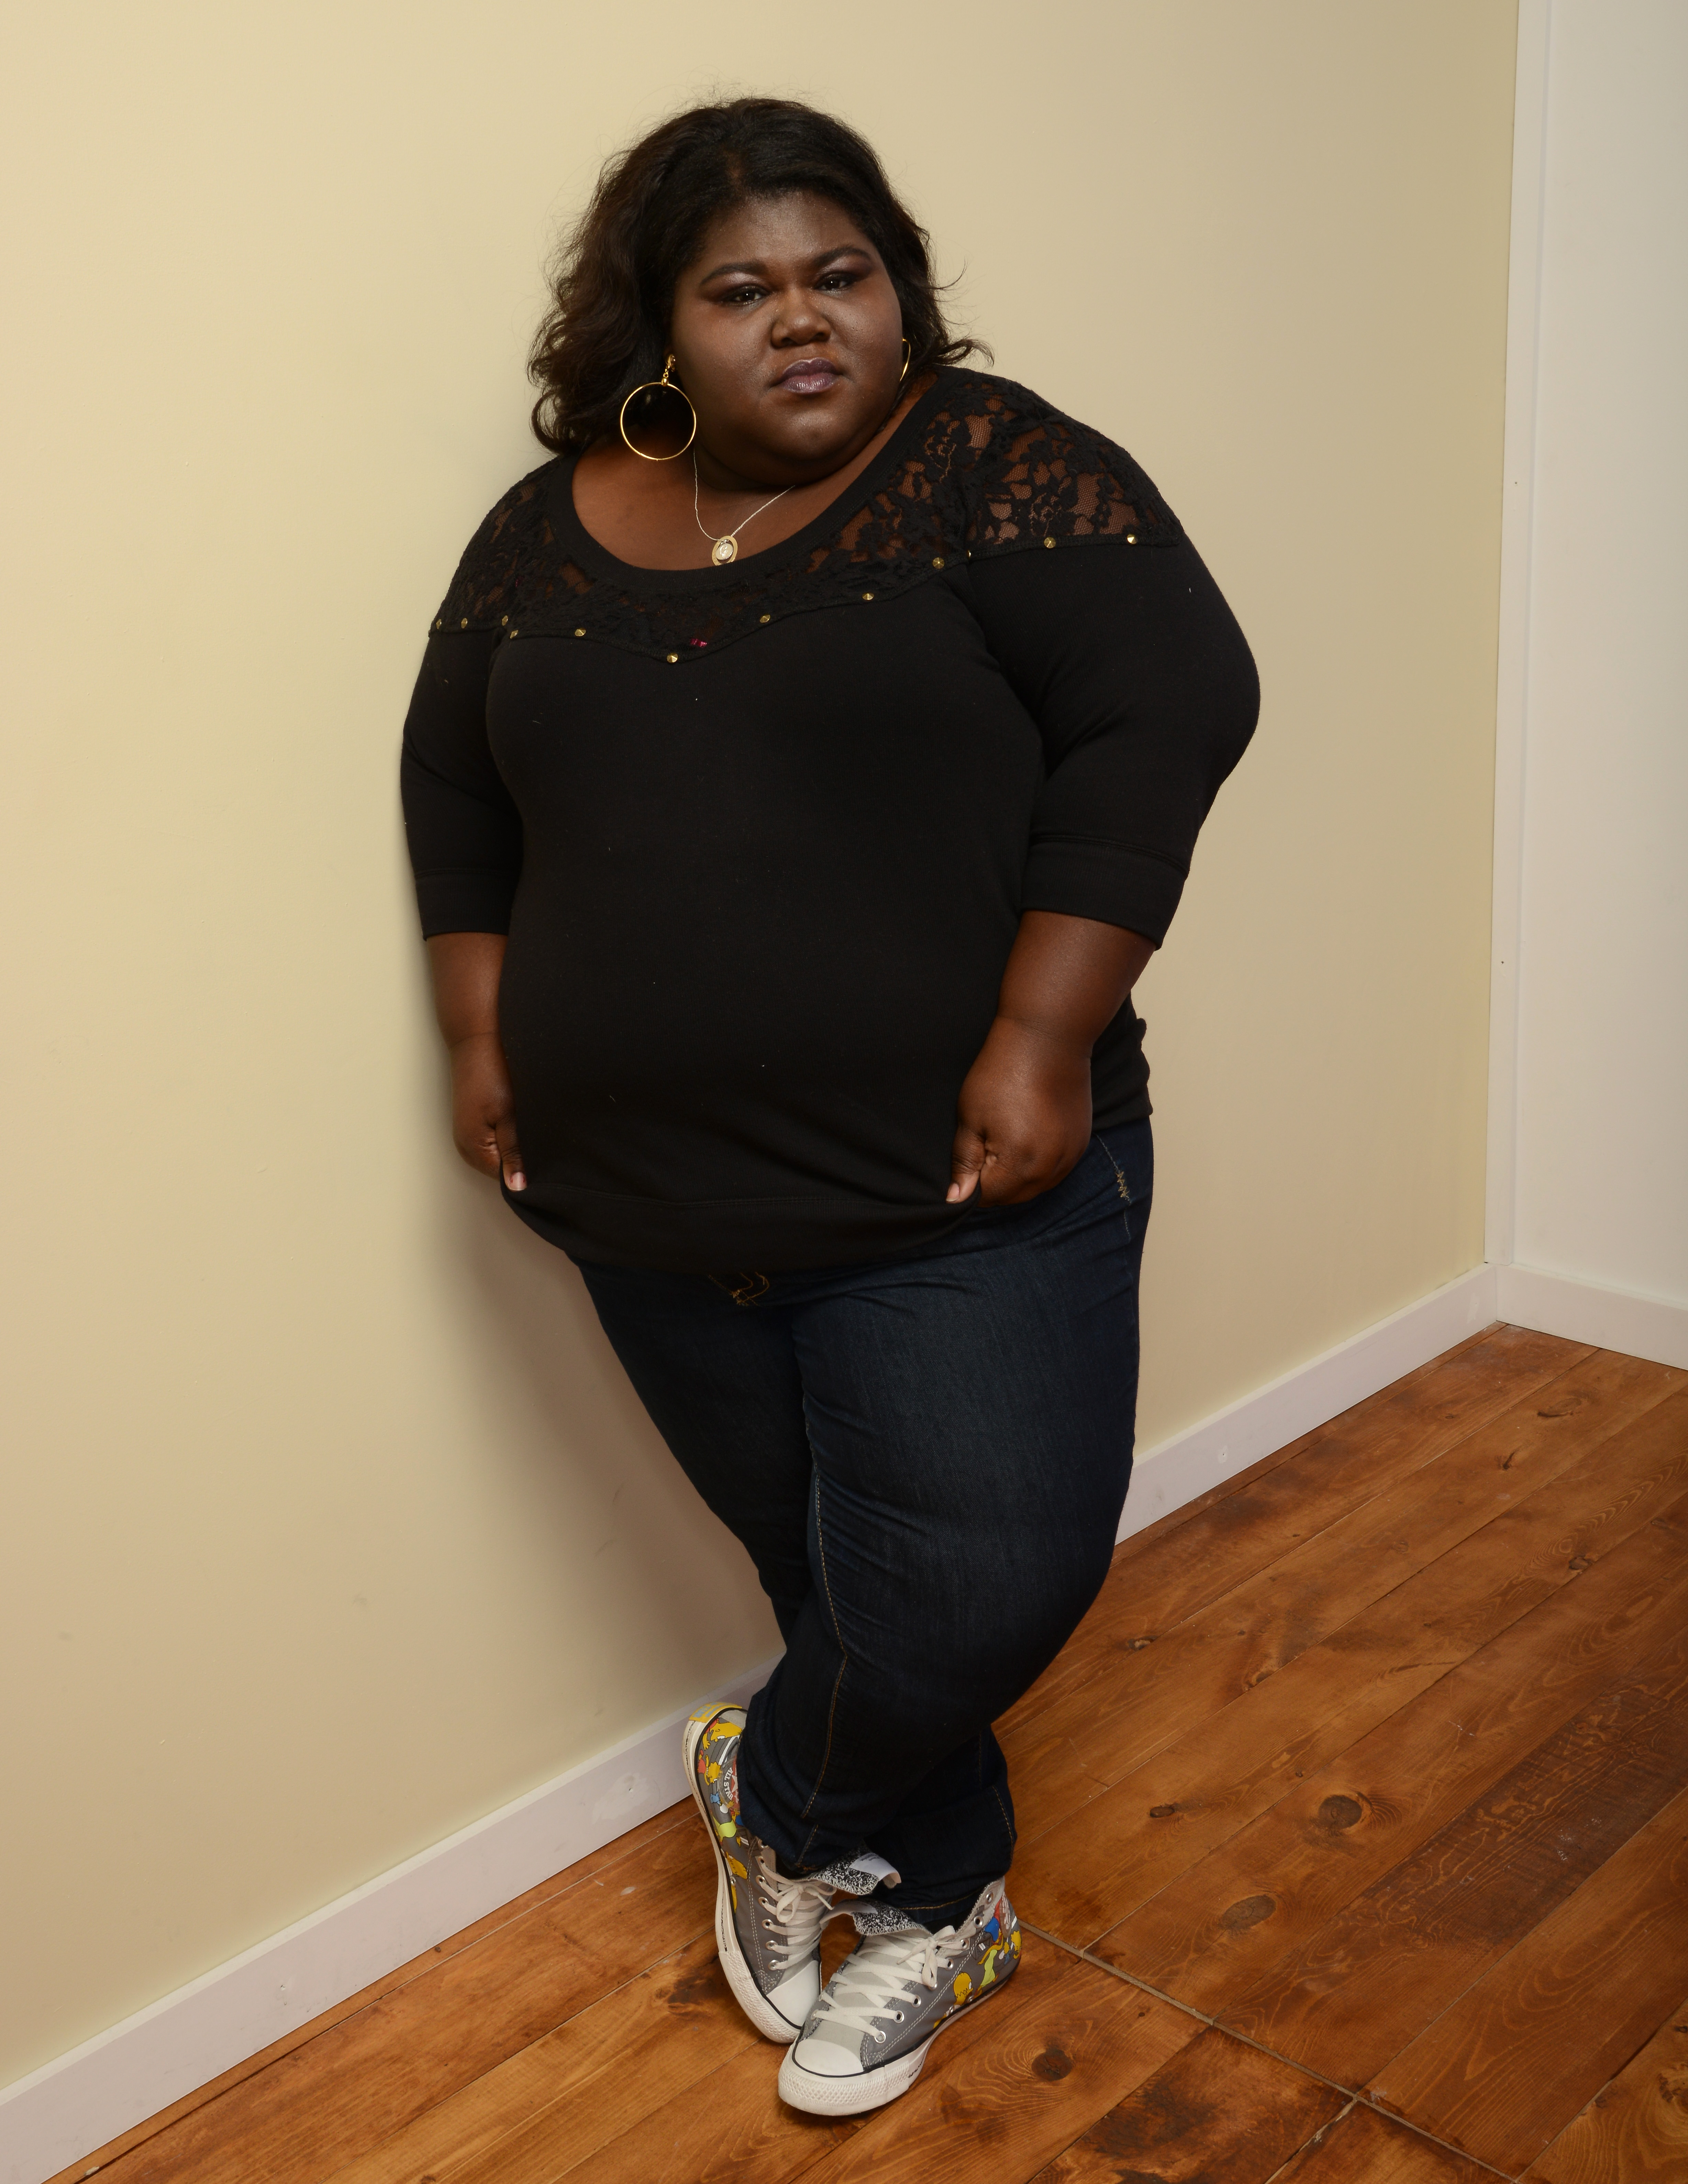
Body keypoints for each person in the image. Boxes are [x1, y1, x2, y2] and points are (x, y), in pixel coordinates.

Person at [401, 96, 1257, 2116]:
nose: (805, 321)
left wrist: (1044, 1030)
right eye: (742, 289)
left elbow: (1174, 706)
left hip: (961, 1181)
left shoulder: (989, 467)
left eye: (842, 274)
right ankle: (944, 1892)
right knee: (838, 1579)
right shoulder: (550, 527)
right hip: (638, 1198)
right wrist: (477, 1028)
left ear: (900, 290)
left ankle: (770, 1786)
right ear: (657, 325)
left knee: (979, 1578)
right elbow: (455, 784)